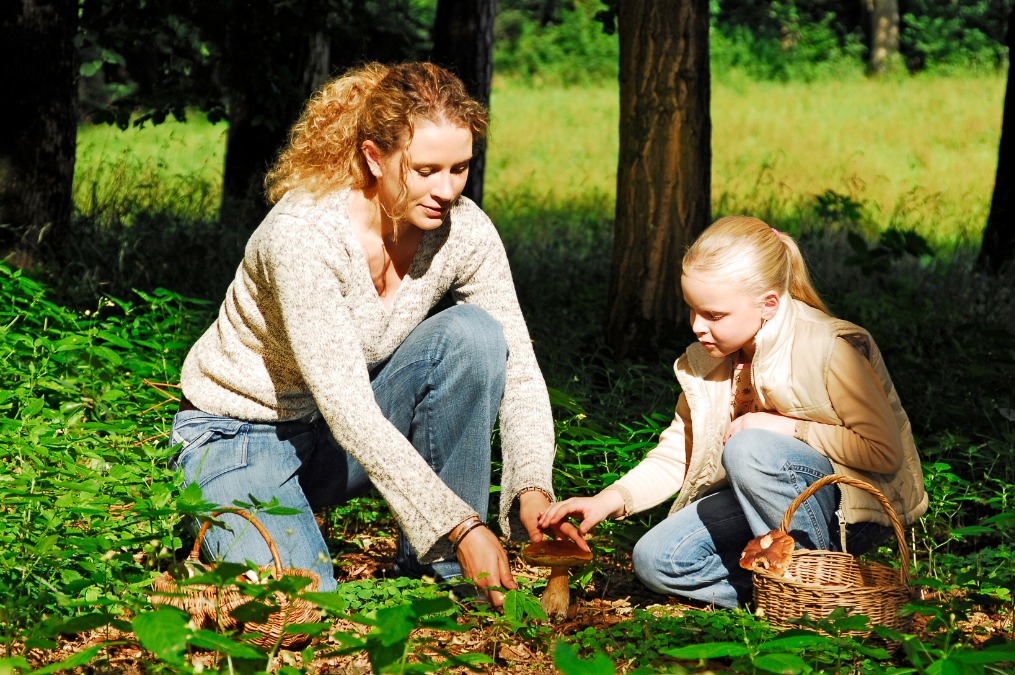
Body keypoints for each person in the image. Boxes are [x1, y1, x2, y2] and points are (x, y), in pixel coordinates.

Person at [168, 61, 584, 607]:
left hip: (331, 439)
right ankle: (217, 511)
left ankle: (440, 572)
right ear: (373, 157)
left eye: (459, 169)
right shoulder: (305, 237)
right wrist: (462, 525)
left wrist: (532, 488)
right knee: (305, 607)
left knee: (475, 337)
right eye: (425, 169)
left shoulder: (464, 230)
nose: (446, 190)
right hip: (239, 435)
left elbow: (521, 370)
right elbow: (351, 412)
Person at [539, 215, 927, 609]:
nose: (696, 326)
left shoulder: (828, 350)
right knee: (656, 561)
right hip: (758, 504)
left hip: (846, 512)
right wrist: (608, 499)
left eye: (714, 315)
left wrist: (787, 427)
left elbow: (883, 452)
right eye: (692, 310)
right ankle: (777, 594)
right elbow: (680, 452)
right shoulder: (708, 361)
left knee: (749, 445)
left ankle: (812, 593)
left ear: (768, 305)